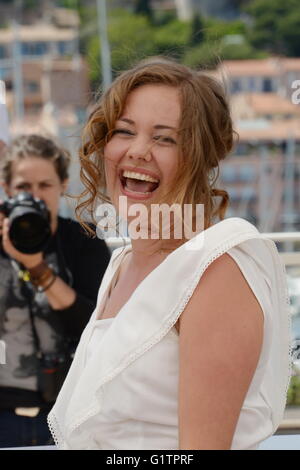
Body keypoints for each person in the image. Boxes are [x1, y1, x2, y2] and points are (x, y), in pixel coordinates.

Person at [48, 58, 291, 450]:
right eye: (124, 131)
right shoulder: (121, 264)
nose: (139, 151)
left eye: (165, 139)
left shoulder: (215, 270)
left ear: (199, 158)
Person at [0, 134, 111, 448]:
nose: (34, 196)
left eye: (44, 186)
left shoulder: (83, 242)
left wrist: (37, 268)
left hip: (67, 414)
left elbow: (95, 327)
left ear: (63, 185)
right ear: (7, 189)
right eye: (23, 188)